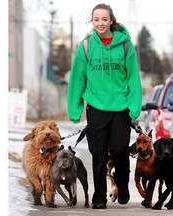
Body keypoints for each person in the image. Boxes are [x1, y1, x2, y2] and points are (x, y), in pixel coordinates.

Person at [67, 3, 142, 209]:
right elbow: (77, 79)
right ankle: (99, 196)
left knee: (119, 150)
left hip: (120, 108)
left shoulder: (126, 45)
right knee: (98, 151)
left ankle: (122, 185)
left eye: (104, 19)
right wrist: (75, 109)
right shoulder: (86, 46)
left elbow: (133, 78)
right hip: (96, 107)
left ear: (111, 20)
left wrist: (135, 105)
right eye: (96, 19)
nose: (100, 23)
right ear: (92, 21)